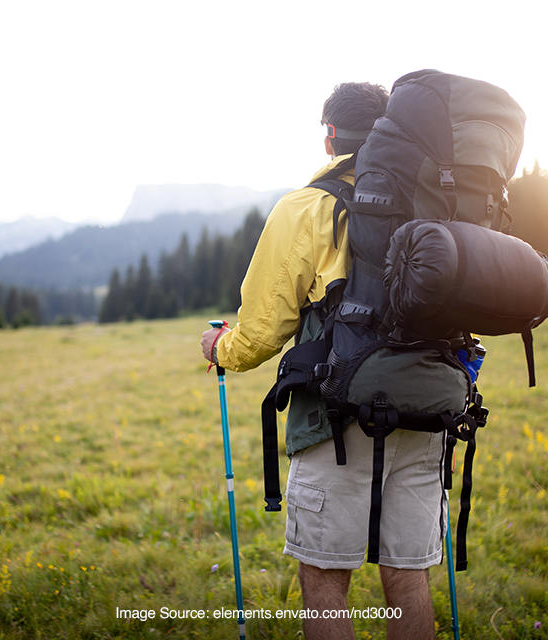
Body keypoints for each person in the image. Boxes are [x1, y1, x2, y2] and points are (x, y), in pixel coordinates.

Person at [200, 82, 443, 640]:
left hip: (341, 415)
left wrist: (221, 348)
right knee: (408, 577)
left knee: (326, 575)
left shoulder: (307, 206)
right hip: (429, 406)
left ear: (330, 134)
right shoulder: (430, 201)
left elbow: (262, 332)